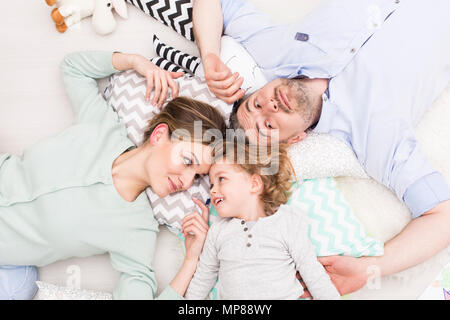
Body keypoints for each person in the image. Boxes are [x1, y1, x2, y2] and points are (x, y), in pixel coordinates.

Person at [191, 0, 450, 295]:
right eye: (268, 125)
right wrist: (370, 268)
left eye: (257, 103)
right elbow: (442, 216)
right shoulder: (374, 137)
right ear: (294, 140)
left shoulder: (270, 50)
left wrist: (209, 55)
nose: (270, 106)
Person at [0, 51, 227, 299]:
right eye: (187, 161)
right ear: (160, 135)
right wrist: (136, 62)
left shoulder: (137, 228)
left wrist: (191, 261)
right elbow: (73, 68)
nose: (186, 181)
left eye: (196, 177)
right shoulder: (103, 126)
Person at [182, 141, 340, 299]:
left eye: (221, 179)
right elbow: (203, 279)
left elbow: (313, 274)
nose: (213, 190)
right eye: (211, 185)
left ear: (254, 184)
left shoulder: (287, 221)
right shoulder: (218, 230)